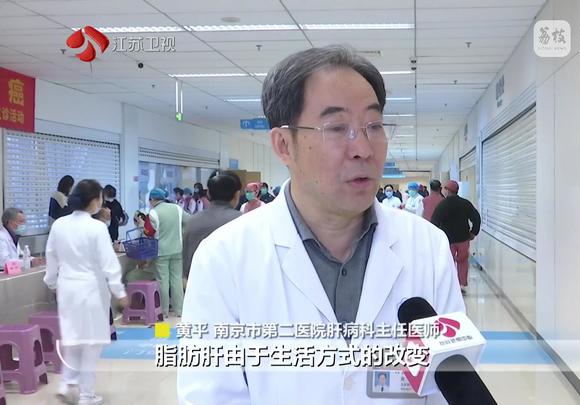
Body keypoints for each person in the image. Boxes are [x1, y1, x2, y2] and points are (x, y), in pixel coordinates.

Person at [178, 45, 464, 404]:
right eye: (337, 128)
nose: (363, 148)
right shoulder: (224, 258)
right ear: (284, 145)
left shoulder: (427, 247)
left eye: (374, 126)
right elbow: (212, 395)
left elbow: (449, 388)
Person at [43, 179, 128, 405]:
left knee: (73, 339)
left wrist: (52, 283)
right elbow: (109, 263)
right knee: (91, 343)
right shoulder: (97, 228)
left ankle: (67, 383)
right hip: (91, 290)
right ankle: (86, 394)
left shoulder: (60, 225)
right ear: (94, 201)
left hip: (67, 289)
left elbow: (51, 256)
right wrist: (119, 291)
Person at [182, 171, 242, 281]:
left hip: (199, 284)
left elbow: (186, 266)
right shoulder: (242, 221)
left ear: (208, 193)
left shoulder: (192, 221)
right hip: (234, 285)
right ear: (236, 194)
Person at [431, 180, 482, 295]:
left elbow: (434, 222)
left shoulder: (442, 205)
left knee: (448, 262)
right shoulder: (465, 203)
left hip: (447, 240)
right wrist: (473, 232)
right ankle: (461, 285)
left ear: (447, 190)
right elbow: (476, 218)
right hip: (463, 238)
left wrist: (436, 237)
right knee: (463, 262)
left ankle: (449, 285)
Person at [148, 188, 189, 318]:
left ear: (152, 199)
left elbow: (149, 232)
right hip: (178, 249)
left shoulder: (153, 213)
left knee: (163, 281)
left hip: (161, 251)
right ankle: (179, 310)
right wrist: (181, 231)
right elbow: (189, 221)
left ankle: (163, 311)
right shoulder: (177, 208)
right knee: (177, 279)